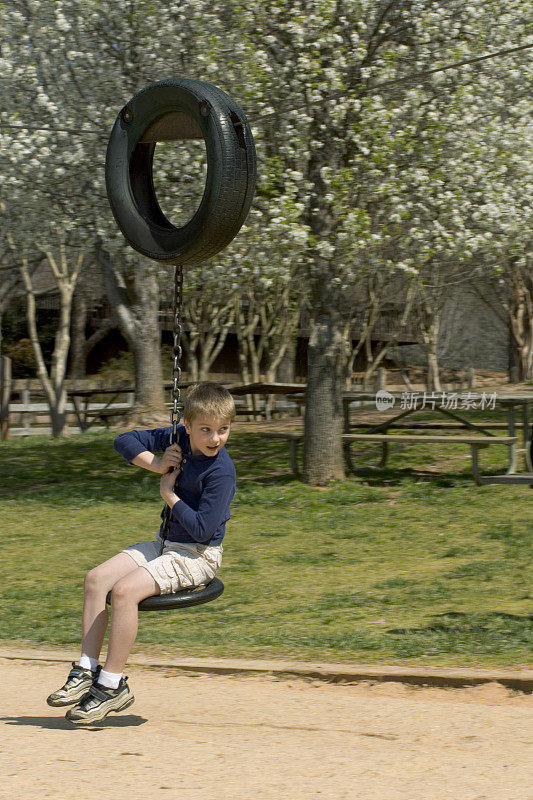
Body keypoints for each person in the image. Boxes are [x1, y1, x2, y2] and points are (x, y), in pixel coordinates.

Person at [47, 382, 236, 725]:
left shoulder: (221, 471)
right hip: (166, 544)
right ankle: (86, 670)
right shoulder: (176, 438)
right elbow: (124, 440)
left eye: (223, 430)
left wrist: (169, 493)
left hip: (198, 555)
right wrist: (158, 463)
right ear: (188, 426)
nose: (214, 439)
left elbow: (202, 530)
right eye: (205, 430)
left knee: (123, 592)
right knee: (96, 580)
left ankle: (111, 685)